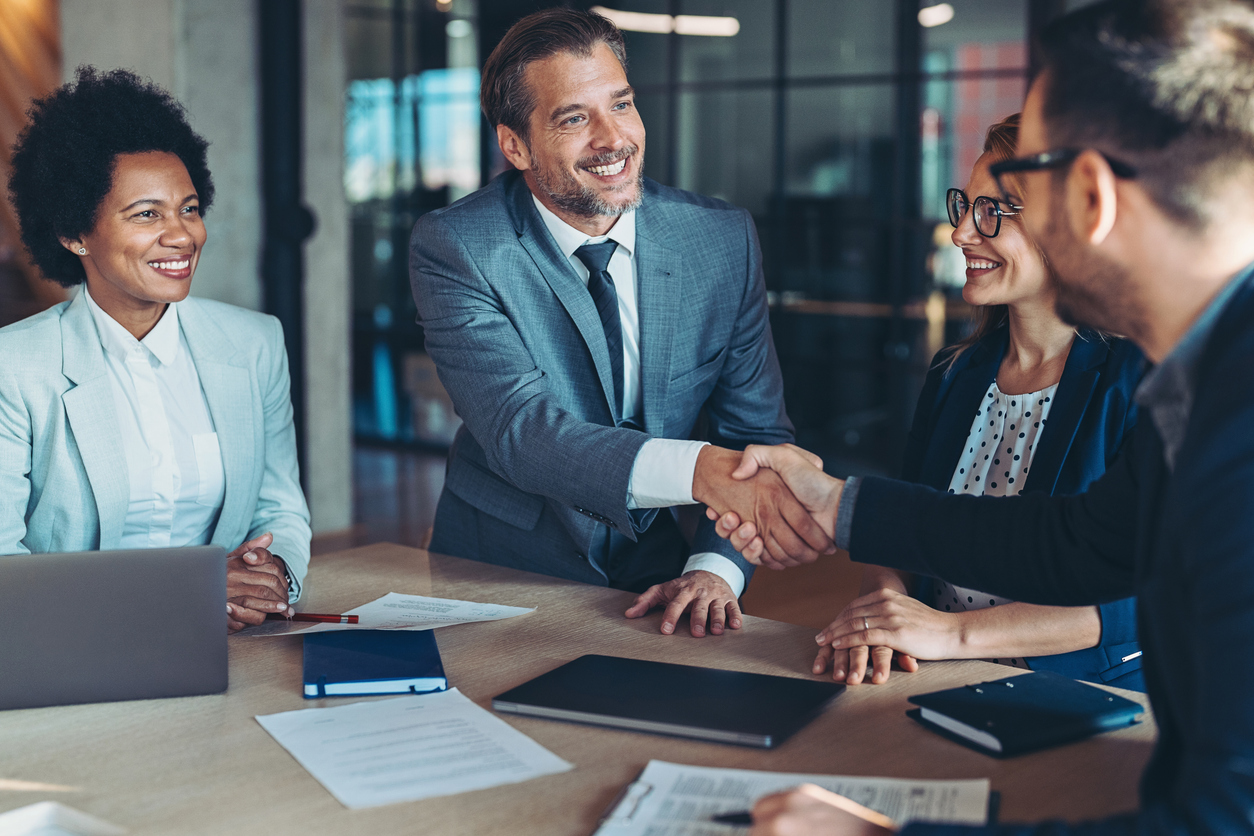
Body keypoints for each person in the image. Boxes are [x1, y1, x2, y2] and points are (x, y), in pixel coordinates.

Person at [704, 0, 1254, 832]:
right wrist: (838, 504)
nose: (967, 227)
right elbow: (1078, 544)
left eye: (1017, 192)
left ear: (1090, 196)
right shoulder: (1204, 379)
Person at [408, 8, 831, 638]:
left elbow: (755, 431)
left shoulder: (722, 241)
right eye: (575, 118)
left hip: (654, 571)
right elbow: (523, 432)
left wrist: (716, 568)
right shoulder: (457, 246)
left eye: (622, 104)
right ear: (515, 145)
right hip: (498, 565)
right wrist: (701, 470)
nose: (613, 139)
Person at [816, 114, 1144, 690]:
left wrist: (950, 634)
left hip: (1082, 695)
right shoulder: (955, 371)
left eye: (992, 212)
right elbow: (904, 530)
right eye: (963, 207)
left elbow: (1139, 597)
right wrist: (884, 612)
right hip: (929, 678)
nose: (963, 233)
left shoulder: (1139, 380)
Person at [0, 68, 311, 633]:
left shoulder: (254, 344)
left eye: (189, 208)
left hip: (229, 643)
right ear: (75, 233)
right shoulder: (15, 367)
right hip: (70, 642)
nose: (182, 235)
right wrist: (186, 592)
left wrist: (271, 578)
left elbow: (280, 507)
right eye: (147, 214)